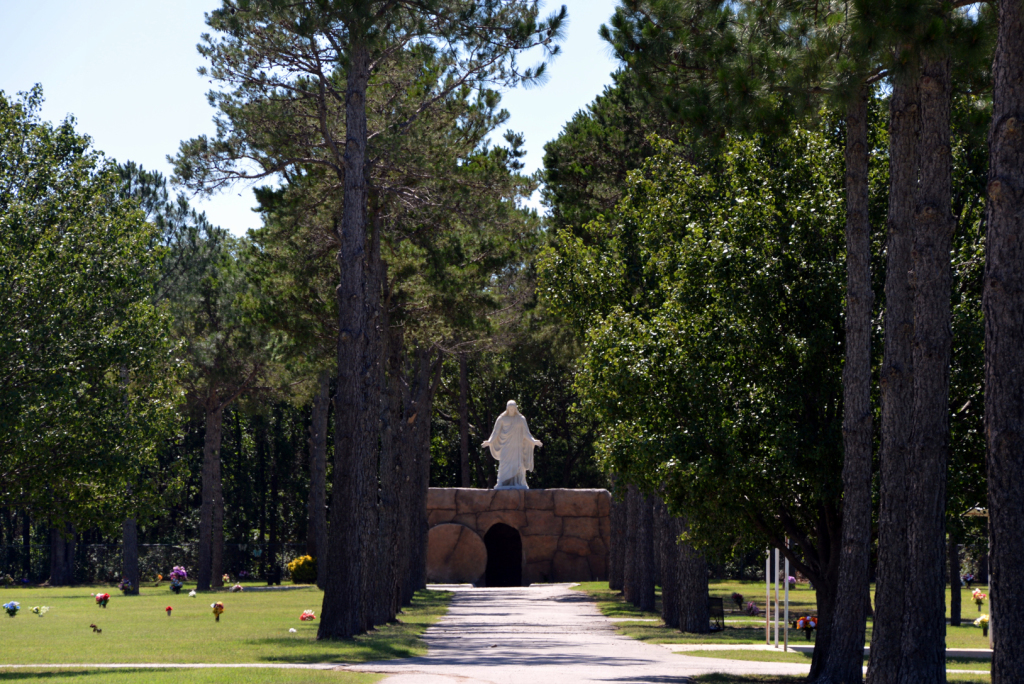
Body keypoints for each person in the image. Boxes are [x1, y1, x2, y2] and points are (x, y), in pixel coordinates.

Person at [481, 400, 542, 489]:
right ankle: (501, 482)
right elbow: (496, 432)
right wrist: (490, 441)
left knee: (518, 465)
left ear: (516, 409)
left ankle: (518, 482)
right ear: (507, 409)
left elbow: (526, 433)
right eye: (510, 409)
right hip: (505, 446)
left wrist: (533, 441)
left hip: (517, 448)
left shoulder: (521, 419)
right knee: (503, 464)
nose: (512, 411)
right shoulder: (502, 418)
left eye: (513, 409)